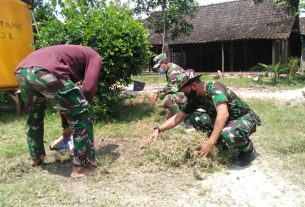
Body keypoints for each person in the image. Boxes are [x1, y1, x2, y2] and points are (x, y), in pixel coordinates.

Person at [15, 45, 102, 178]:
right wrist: (81, 110)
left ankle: (36, 157)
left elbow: (63, 100)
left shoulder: (70, 55)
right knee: (82, 115)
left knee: (34, 116)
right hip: (46, 70)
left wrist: (66, 126)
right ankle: (82, 167)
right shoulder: (94, 56)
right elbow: (88, 90)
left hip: (22, 71)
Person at [146, 70, 261, 167]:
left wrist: (210, 143)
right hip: (226, 120)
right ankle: (220, 144)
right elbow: (179, 117)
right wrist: (158, 129)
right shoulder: (194, 97)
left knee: (228, 134)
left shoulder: (215, 88)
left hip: (243, 117)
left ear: (194, 86)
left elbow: (223, 115)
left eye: (184, 91)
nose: (184, 94)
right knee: (196, 117)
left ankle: (248, 151)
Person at [150, 53, 187, 119]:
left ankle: (180, 120)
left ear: (165, 62)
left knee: (169, 99)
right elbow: (171, 84)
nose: (159, 69)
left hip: (189, 95)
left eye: (160, 66)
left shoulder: (172, 70)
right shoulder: (169, 69)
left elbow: (173, 88)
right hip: (184, 92)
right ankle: (180, 113)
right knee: (168, 104)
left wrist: (158, 94)